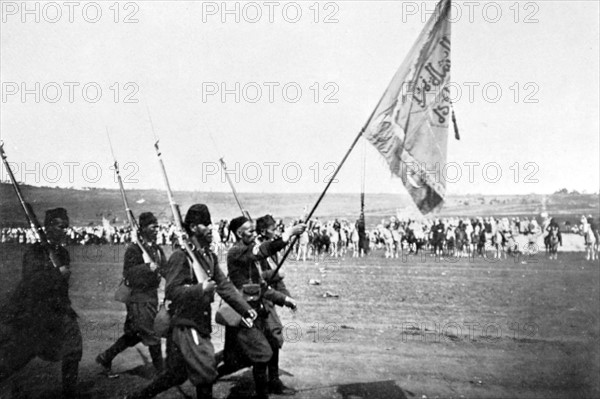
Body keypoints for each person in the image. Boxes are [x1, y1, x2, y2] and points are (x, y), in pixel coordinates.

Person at [125, 204, 256, 399]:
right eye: (205, 224)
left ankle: (138, 397)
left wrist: (245, 309)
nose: (211, 228)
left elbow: (225, 286)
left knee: (176, 374)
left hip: (199, 323)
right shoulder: (181, 256)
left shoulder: (208, 256)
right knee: (205, 372)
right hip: (186, 325)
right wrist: (200, 289)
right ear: (193, 227)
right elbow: (172, 291)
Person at [219, 215, 305, 399]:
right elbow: (262, 251)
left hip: (257, 309)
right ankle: (204, 378)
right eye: (250, 231)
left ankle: (265, 390)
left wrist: (285, 299)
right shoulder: (237, 251)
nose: (254, 234)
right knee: (241, 359)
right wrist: (288, 234)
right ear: (238, 233)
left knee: (264, 349)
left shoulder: (249, 252)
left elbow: (261, 287)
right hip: (243, 312)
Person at [0, 208, 82, 397]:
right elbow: (32, 281)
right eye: (61, 226)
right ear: (49, 227)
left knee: (74, 348)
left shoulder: (62, 252)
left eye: (67, 227)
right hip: (36, 312)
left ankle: (69, 394)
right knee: (18, 358)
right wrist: (57, 273)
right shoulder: (34, 251)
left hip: (59, 310)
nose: (65, 230)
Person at [96, 212, 167, 375]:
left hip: (151, 297)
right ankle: (161, 373)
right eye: (152, 226)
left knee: (134, 334)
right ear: (143, 228)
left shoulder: (156, 249)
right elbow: (128, 273)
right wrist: (146, 268)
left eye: (157, 226)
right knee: (152, 333)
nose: (156, 229)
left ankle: (105, 357)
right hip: (138, 298)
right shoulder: (134, 249)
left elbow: (165, 269)